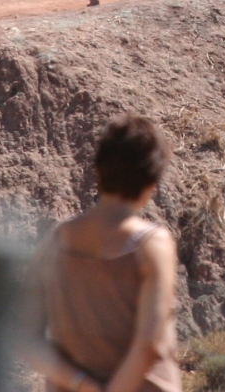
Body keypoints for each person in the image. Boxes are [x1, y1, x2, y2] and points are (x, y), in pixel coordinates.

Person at [33, 115, 180, 392]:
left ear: (99, 169)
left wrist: (81, 383)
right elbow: (151, 344)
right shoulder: (153, 245)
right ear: (152, 181)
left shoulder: (57, 239)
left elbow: (25, 336)